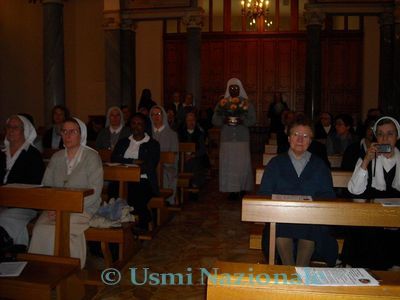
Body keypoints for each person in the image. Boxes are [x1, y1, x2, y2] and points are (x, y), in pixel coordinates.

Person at [259, 119, 338, 266]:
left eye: (305, 136)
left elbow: (328, 195)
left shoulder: (319, 165)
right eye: (296, 134)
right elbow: (264, 193)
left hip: (311, 218)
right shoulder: (275, 163)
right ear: (289, 138)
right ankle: (290, 271)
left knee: (310, 230)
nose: (300, 139)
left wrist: (311, 205)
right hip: (281, 217)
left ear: (311, 141)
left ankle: (301, 270)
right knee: (281, 230)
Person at [29, 117, 103, 268]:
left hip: (84, 208)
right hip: (54, 209)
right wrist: (51, 207)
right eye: (64, 131)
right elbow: (46, 187)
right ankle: (40, 271)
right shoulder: (56, 158)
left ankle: (68, 271)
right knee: (40, 229)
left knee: (60, 231)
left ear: (81, 134)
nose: (68, 135)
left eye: (72, 131)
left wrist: (67, 209)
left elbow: (95, 191)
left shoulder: (92, 157)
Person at [343, 116, 400, 270]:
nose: (385, 138)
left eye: (390, 134)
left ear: (397, 136)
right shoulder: (367, 158)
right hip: (371, 218)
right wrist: (366, 160)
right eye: (380, 134)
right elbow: (354, 190)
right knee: (360, 228)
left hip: (397, 218)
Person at [0, 115, 45, 247]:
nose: (10, 130)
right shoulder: (1, 154)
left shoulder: (33, 155)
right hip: (2, 202)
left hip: (24, 205)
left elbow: (35, 185)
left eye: (15, 127)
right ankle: (15, 250)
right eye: (8, 127)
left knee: (5, 219)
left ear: (24, 131)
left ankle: (10, 247)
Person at [111, 113, 160, 230]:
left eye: (139, 124)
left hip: (143, 181)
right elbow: (114, 158)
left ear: (145, 126)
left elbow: (149, 165)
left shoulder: (153, 144)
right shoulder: (123, 142)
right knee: (113, 190)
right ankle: (116, 226)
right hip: (122, 179)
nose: (136, 126)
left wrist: (128, 167)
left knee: (135, 196)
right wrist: (133, 161)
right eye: (133, 123)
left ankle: (141, 224)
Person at [212, 78, 256, 201]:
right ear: (228, 89)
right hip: (227, 139)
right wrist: (223, 120)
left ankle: (242, 188)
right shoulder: (222, 103)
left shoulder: (247, 103)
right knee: (229, 165)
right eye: (231, 88)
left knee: (242, 165)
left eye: (236, 88)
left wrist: (243, 121)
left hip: (242, 139)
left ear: (240, 89)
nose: (233, 90)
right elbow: (214, 120)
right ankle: (231, 190)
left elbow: (253, 120)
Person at [149, 105, 179, 205]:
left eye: (158, 114)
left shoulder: (172, 134)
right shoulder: (147, 134)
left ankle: (166, 202)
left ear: (163, 116)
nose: (155, 117)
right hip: (150, 167)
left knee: (163, 174)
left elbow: (174, 157)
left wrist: (162, 165)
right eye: (153, 115)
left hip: (167, 167)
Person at [178, 112, 210, 190]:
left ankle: (194, 186)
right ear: (185, 121)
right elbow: (176, 147)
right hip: (182, 157)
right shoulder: (179, 133)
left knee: (195, 164)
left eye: (193, 120)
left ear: (196, 121)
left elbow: (202, 149)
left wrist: (193, 155)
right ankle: (183, 186)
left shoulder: (200, 134)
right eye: (189, 120)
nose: (191, 122)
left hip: (196, 157)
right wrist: (184, 156)